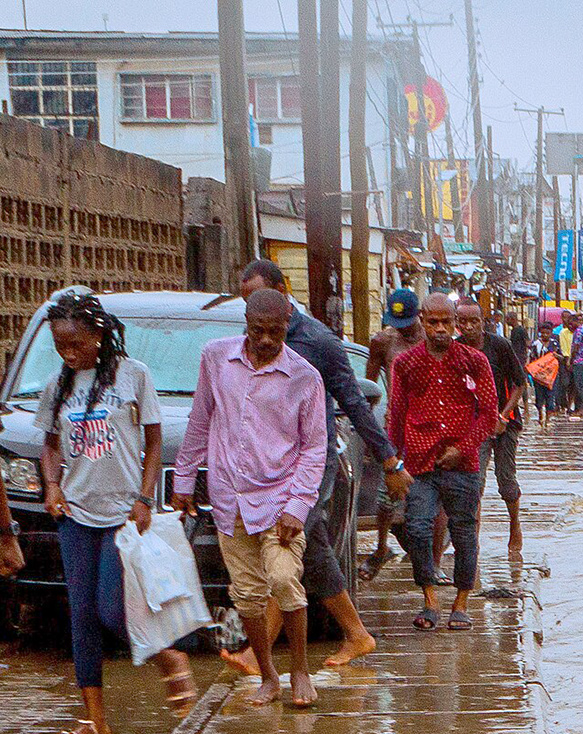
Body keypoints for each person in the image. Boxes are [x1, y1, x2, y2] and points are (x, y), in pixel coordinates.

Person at [226, 260, 414, 673]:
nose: (259, 333)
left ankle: (260, 654)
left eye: (262, 305)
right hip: (265, 466)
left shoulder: (317, 342)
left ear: (281, 293)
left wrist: (389, 458)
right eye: (249, 313)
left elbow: (354, 401)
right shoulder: (244, 343)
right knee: (310, 551)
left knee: (292, 539)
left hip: (312, 462)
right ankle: (357, 634)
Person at [34, 292, 196, 734]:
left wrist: (145, 497)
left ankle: (169, 657)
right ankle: (95, 720)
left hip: (123, 514)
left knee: (111, 609)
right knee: (81, 616)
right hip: (76, 516)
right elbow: (48, 444)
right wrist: (52, 485)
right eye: (60, 345)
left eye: (77, 344)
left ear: (99, 335)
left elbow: (154, 440)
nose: (69, 353)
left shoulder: (134, 376)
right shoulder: (58, 384)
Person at [174, 289, 325, 709]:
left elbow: (314, 449)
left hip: (280, 501)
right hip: (229, 497)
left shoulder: (304, 376)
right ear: (245, 323)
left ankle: (299, 670)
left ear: (287, 327)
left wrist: (298, 505)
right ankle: (268, 674)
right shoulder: (216, 358)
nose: (265, 340)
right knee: (247, 594)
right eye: (257, 330)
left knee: (283, 579)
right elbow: (200, 419)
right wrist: (184, 478)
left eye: (274, 332)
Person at [387, 294, 496, 631]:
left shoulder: (474, 361)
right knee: (417, 528)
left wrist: (464, 448)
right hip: (420, 463)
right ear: (422, 320)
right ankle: (430, 599)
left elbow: (489, 413)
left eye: (446, 322)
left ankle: (461, 603)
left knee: (464, 532)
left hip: (462, 465)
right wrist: (393, 461)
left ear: (455, 323)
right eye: (432, 322)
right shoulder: (405, 364)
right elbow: (397, 414)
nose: (440, 329)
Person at [362, 288, 427, 581]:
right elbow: (368, 387)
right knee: (386, 495)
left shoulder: (432, 338)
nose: (402, 330)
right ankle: (381, 547)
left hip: (428, 426)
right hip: (396, 426)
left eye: (408, 324)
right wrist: (368, 431)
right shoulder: (382, 342)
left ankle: (428, 558)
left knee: (426, 491)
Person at [458, 299, 527, 555]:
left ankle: (514, 524)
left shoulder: (500, 345)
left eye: (473, 321)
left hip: (504, 423)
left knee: (506, 480)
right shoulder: (456, 350)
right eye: (462, 321)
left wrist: (503, 415)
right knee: (475, 482)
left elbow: (520, 383)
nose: (468, 327)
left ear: (483, 321)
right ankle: (472, 541)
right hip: (475, 425)